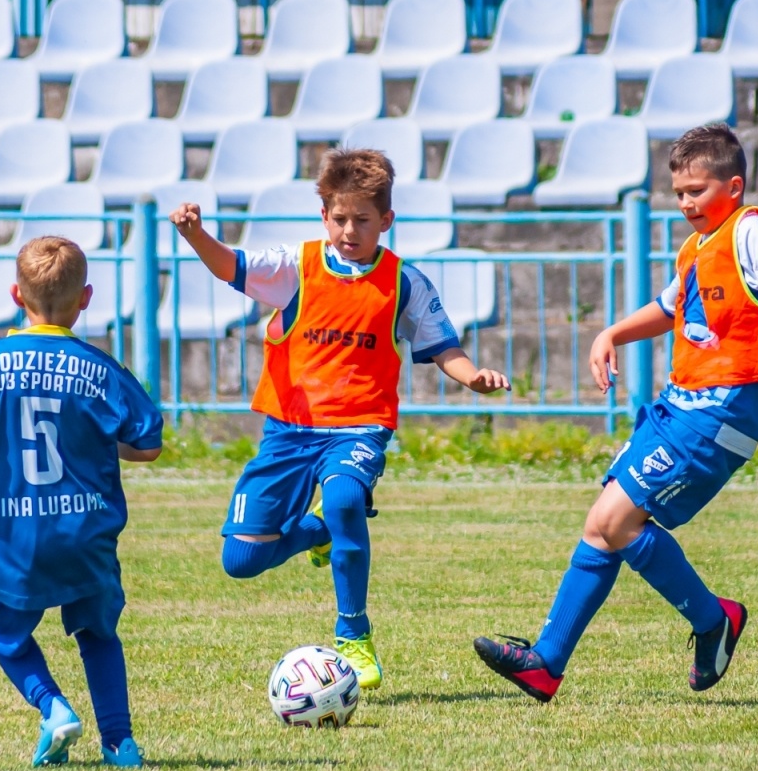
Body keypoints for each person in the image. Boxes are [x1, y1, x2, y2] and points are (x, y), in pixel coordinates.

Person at [474, 123, 758, 703]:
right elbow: (669, 308)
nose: (686, 203)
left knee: (615, 522)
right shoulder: (697, 247)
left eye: (698, 191)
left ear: (733, 187)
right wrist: (612, 331)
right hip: (677, 409)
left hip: (720, 413)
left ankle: (709, 622)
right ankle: (548, 663)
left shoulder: (752, 232)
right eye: (679, 193)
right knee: (602, 525)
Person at [169, 148, 510, 689]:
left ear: (387, 221)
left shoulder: (405, 283)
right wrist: (195, 236)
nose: (350, 230)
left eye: (363, 220)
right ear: (324, 215)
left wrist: (471, 376)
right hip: (288, 430)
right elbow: (231, 265)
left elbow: (442, 346)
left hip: (360, 425)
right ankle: (319, 531)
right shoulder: (296, 266)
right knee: (240, 561)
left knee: (348, 497)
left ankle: (354, 633)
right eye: (340, 218)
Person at [0, 236, 164, 768]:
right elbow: (148, 444)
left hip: (12, 537)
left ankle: (54, 708)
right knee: (97, 633)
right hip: (84, 534)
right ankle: (120, 743)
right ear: (85, 299)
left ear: (16, 294)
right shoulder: (100, 366)